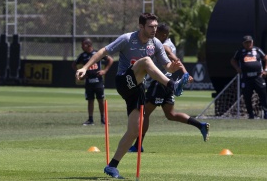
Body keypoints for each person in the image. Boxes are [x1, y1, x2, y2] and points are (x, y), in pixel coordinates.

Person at [75, 13, 189, 179]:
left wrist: (174, 66)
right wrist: (85, 67)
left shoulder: (156, 43)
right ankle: (172, 86)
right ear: (141, 26)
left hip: (137, 89)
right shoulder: (127, 39)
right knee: (145, 62)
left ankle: (112, 166)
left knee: (134, 130)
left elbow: (167, 67)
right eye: (150, 26)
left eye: (156, 26)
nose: (154, 29)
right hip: (123, 81)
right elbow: (102, 52)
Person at [129, 23, 210, 153]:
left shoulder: (165, 45)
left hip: (159, 83)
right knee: (171, 115)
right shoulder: (163, 43)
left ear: (164, 35)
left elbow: (172, 56)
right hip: (168, 83)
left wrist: (185, 73)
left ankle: (138, 145)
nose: (154, 33)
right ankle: (200, 125)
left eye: (157, 32)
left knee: (144, 113)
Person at [72, 38, 114, 125]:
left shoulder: (97, 53)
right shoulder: (82, 55)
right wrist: (80, 73)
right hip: (88, 82)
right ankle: (90, 120)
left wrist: (105, 70)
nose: (81, 47)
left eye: (83, 45)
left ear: (88, 45)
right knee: (90, 100)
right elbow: (73, 64)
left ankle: (103, 119)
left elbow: (110, 60)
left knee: (100, 100)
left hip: (98, 81)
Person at [231, 35, 267, 119]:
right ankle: (251, 114)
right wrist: (237, 68)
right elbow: (233, 60)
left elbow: (265, 58)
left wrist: (265, 70)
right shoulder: (240, 52)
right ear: (243, 44)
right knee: (247, 96)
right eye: (246, 42)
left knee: (263, 94)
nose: (248, 44)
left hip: (258, 77)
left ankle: (266, 112)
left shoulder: (257, 50)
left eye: (250, 42)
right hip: (246, 78)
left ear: (252, 42)